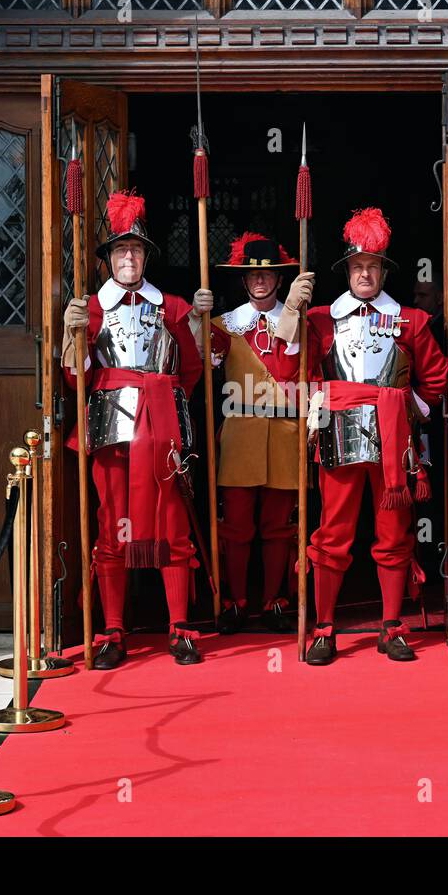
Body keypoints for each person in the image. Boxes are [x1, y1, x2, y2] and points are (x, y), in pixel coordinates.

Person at [61, 191, 205, 668]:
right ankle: (113, 629)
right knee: (110, 528)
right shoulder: (90, 308)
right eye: (121, 250)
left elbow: (191, 371)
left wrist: (158, 401)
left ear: (146, 257)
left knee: (172, 525)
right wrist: (72, 334)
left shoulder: (175, 307)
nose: (129, 258)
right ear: (108, 259)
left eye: (136, 251)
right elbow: (72, 376)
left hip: (162, 428)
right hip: (111, 430)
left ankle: (180, 626)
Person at [303, 208, 448, 665]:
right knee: (333, 533)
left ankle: (390, 626)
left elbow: (435, 379)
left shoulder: (412, 321)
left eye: (373, 266)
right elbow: (301, 370)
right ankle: (324, 627)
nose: (365, 274)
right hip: (339, 438)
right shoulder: (320, 319)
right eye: (357, 266)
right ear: (346, 270)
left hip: (394, 444)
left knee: (394, 533)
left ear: (384, 270)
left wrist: (404, 411)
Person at [190, 233, 314, 634]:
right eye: (252, 276)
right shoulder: (224, 325)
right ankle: (237, 601)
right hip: (240, 429)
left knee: (280, 525)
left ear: (280, 278)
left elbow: (305, 376)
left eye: (268, 275)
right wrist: (195, 319)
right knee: (237, 525)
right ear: (243, 280)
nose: (260, 282)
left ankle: (277, 600)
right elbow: (199, 366)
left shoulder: (300, 321)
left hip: (285, 429)